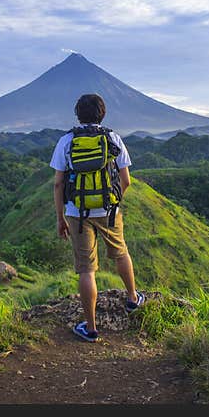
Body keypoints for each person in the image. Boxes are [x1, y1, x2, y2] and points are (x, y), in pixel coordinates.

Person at [49, 93, 144, 342]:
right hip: (109, 211)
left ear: (77, 114)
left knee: (86, 269)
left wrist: (60, 218)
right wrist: (112, 201)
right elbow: (126, 180)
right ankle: (133, 298)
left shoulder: (66, 141)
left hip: (76, 213)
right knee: (121, 252)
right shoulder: (113, 138)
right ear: (103, 114)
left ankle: (91, 329)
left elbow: (58, 184)